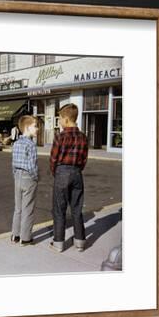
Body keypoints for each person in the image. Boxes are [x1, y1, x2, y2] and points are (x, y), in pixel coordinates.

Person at [49, 104, 89, 253]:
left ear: (66, 119)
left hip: (62, 172)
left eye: (59, 118)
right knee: (77, 208)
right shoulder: (83, 137)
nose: (59, 121)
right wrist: (77, 170)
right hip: (77, 173)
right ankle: (80, 241)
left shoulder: (60, 137)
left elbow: (53, 159)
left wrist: (56, 172)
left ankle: (58, 242)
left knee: (59, 209)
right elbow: (84, 158)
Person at [11, 115, 39, 245]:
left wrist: (16, 174)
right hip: (28, 177)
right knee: (28, 208)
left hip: (17, 176)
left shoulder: (16, 143)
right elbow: (32, 165)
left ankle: (15, 235)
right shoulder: (31, 144)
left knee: (18, 208)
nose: (37, 128)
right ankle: (25, 238)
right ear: (27, 128)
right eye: (35, 126)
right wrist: (36, 177)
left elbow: (13, 163)